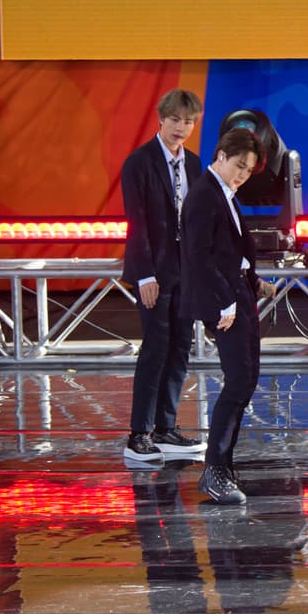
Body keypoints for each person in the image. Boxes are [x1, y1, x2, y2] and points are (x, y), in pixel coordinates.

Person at [181, 127, 275, 505]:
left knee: (246, 378)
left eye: (248, 171)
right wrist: (225, 300)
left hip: (238, 293)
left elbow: (231, 251)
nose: (242, 175)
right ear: (220, 155)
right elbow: (200, 256)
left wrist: (255, 283)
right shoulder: (204, 195)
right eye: (238, 166)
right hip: (224, 300)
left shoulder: (226, 194)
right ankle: (215, 469)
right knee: (238, 381)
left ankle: (223, 465)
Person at [119, 89, 207, 466]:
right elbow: (137, 224)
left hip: (185, 272)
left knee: (180, 348)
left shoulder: (193, 165)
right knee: (155, 349)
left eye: (188, 122)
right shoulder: (139, 163)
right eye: (175, 120)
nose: (181, 128)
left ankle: (165, 428)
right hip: (153, 271)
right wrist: (144, 276)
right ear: (161, 118)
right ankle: (138, 434)